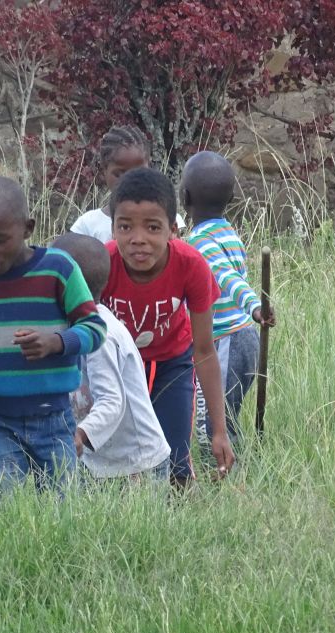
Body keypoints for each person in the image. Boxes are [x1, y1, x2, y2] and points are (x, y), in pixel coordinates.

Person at [0, 178, 107, 495]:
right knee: (6, 509)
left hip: (55, 419)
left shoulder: (59, 270)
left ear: (27, 228)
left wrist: (56, 342)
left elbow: (94, 328)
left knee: (62, 511)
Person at [99, 168, 235, 488]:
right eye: (125, 226)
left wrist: (219, 430)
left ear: (173, 229)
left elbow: (204, 350)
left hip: (171, 364)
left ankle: (181, 520)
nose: (138, 239)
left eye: (153, 227)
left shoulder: (192, 266)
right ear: (112, 229)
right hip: (116, 366)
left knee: (175, 461)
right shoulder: (102, 265)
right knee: (110, 462)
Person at [52, 233, 171, 483]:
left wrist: (80, 434)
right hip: (100, 463)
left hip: (139, 464)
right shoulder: (66, 328)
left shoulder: (100, 335)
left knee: (139, 523)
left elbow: (111, 401)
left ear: (65, 288)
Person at [181, 151, 276, 448]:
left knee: (213, 423)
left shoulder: (199, 242)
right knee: (227, 417)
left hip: (225, 342)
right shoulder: (228, 232)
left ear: (185, 197)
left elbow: (227, 278)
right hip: (245, 338)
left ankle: (222, 480)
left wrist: (255, 306)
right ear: (232, 198)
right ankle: (237, 471)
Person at [69, 125, 187, 241]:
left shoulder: (165, 217)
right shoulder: (88, 225)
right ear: (103, 171)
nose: (130, 181)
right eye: (120, 174)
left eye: (138, 172)